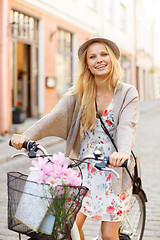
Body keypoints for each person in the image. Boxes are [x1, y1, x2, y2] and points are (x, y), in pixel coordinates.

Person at [11, 34, 139, 240]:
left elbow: (126, 126)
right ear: (87, 64)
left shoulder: (127, 93)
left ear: (112, 59)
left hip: (113, 168)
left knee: (108, 236)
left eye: (104, 54)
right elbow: (53, 117)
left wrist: (123, 152)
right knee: (65, 226)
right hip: (83, 168)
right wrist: (24, 136)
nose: (99, 60)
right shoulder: (79, 93)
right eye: (92, 57)